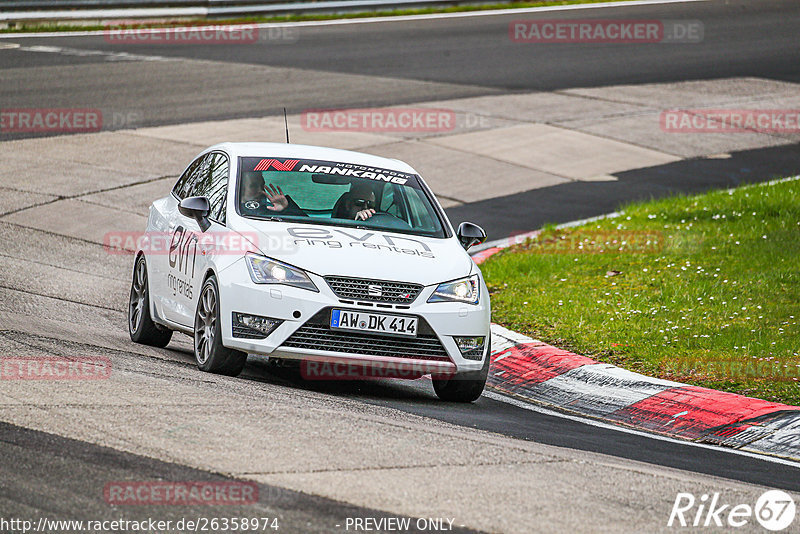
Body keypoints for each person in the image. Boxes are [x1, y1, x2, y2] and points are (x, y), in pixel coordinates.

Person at [239, 171, 305, 217]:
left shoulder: (271, 209)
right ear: (240, 187)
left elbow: (304, 224)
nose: (260, 190)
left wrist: (287, 208)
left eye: (262, 185)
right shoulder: (231, 211)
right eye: (254, 186)